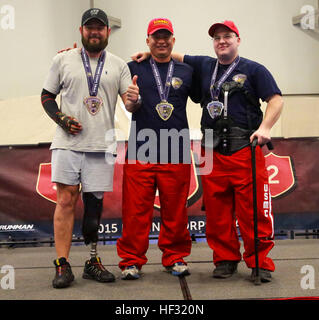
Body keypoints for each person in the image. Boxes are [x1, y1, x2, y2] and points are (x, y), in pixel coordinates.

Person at [133, 20, 283, 282]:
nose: (222, 41)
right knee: (217, 211)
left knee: (253, 211)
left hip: (244, 147)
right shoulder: (204, 65)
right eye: (217, 38)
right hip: (211, 148)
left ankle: (260, 262)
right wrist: (148, 54)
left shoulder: (255, 70)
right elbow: (174, 54)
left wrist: (266, 127)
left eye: (227, 36)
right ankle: (225, 259)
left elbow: (276, 99)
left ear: (238, 39)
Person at [41, 8, 131, 288]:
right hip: (67, 144)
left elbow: (130, 103)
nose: (95, 32)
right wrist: (62, 119)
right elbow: (47, 96)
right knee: (65, 200)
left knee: (94, 208)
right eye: (89, 27)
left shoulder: (118, 65)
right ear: (81, 31)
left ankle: (92, 261)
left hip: (101, 146)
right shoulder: (62, 59)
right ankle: (62, 264)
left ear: (107, 32)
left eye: (100, 28)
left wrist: (135, 99)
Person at [116, 18, 200, 280]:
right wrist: (131, 102)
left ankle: (174, 257)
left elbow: (204, 93)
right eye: (155, 36)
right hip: (142, 148)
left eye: (166, 36)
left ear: (173, 40)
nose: (161, 40)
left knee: (175, 208)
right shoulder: (132, 67)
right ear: (147, 40)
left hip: (175, 149)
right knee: (135, 210)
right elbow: (128, 105)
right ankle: (131, 260)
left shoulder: (187, 70)